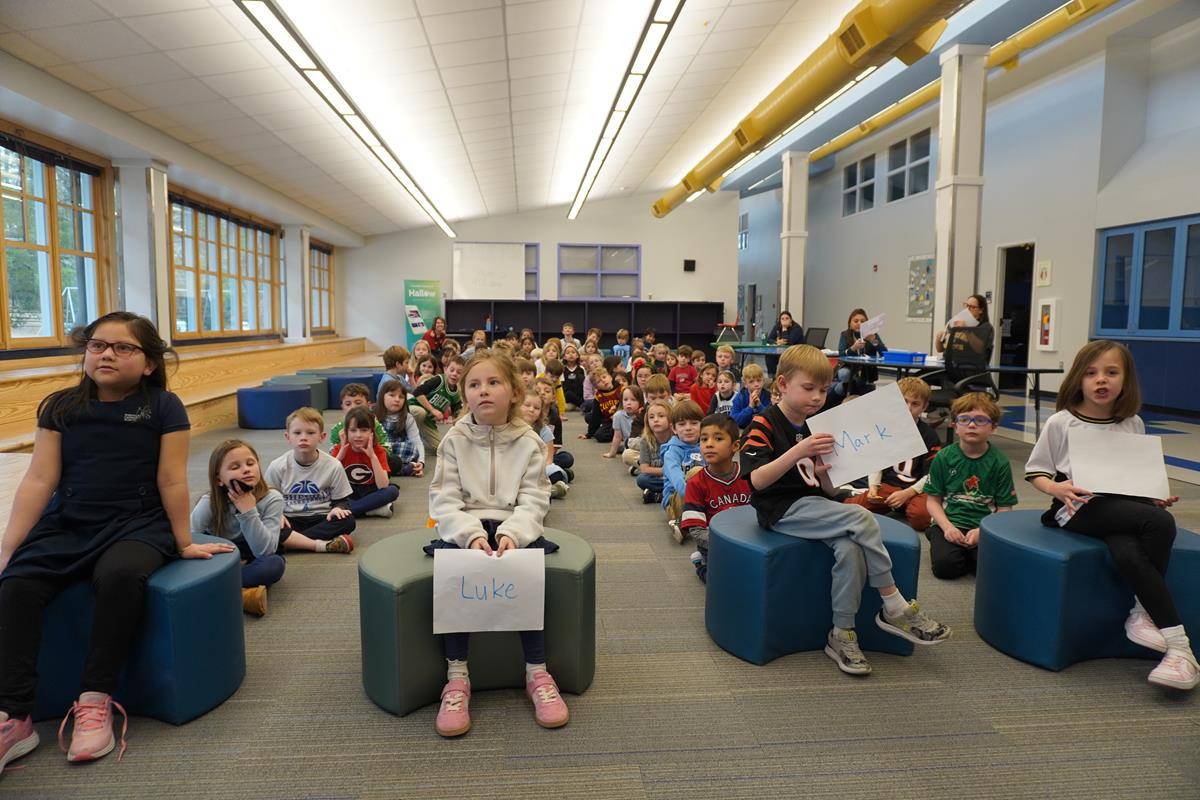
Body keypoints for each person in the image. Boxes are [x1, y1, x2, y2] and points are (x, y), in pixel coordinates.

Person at [0, 312, 235, 768]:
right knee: (17, 584)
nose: (106, 353)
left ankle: (95, 699)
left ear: (148, 363)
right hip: (70, 520)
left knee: (121, 576)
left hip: (137, 521)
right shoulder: (60, 406)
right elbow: (39, 479)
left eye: (123, 347)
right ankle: (14, 716)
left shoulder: (163, 406)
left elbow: (171, 479)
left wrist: (183, 541)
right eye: (96, 345)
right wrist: (10, 547)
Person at [740, 345, 951, 676]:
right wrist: (798, 451)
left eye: (823, 390)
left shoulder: (813, 427)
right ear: (782, 384)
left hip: (813, 505)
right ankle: (894, 604)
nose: (817, 397)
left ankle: (841, 633)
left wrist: (824, 472)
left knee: (850, 549)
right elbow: (757, 480)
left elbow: (821, 488)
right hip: (781, 508)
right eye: (808, 388)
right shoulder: (763, 423)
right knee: (863, 516)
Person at [1025, 340, 1196, 689]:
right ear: (1078, 379)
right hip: (1077, 508)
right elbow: (1036, 471)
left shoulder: (1131, 423)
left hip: (1120, 508)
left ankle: (1173, 648)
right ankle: (1171, 637)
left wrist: (1152, 497)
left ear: (1125, 379)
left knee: (1130, 549)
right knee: (1160, 524)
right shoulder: (1062, 422)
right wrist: (1056, 488)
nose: (1101, 380)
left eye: (1111, 372)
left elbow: (1132, 478)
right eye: (1091, 373)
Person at [428, 350, 567, 737]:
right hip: (465, 528)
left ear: (515, 392)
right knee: (455, 571)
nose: (483, 391)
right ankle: (457, 676)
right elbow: (443, 499)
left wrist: (513, 533)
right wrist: (470, 533)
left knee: (526, 570)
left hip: (512, 526)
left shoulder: (528, 440)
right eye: (474, 385)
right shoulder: (453, 440)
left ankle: (537, 672)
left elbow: (536, 498)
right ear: (463, 394)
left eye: (493, 383)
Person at [924, 393, 1017, 578]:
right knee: (945, 568)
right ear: (955, 426)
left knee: (990, 570)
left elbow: (1005, 508)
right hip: (949, 522)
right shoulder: (943, 457)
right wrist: (948, 528)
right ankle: (937, 536)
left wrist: (982, 532)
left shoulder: (1000, 462)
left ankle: (962, 550)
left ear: (994, 428)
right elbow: (932, 501)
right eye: (964, 419)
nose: (972, 425)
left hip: (983, 526)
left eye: (980, 420)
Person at [191, 439, 286, 617]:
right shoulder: (209, 502)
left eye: (251, 463)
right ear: (219, 479)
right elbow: (189, 540)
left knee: (274, 564)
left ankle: (210, 590)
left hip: (253, 555)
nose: (246, 469)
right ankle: (240, 594)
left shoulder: (272, 498)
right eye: (235, 467)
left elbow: (265, 551)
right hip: (220, 555)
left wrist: (248, 511)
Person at [844, 377, 939, 531]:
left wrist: (908, 493)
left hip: (915, 489)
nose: (908, 408)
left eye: (915, 404)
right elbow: (877, 462)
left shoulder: (929, 435)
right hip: (888, 487)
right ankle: (895, 504)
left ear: (924, 407)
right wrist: (873, 488)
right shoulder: (886, 428)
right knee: (849, 508)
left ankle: (903, 505)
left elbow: (932, 475)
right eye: (904, 401)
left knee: (921, 518)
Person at [265, 408, 356, 554]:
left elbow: (342, 500)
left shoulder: (333, 465)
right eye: (297, 433)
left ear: (322, 436)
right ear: (288, 437)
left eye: (311, 433)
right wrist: (277, 516)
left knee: (348, 521)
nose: (303, 437)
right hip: (290, 519)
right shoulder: (277, 466)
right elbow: (266, 500)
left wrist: (337, 509)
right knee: (269, 523)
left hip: (321, 517)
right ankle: (320, 544)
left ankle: (289, 543)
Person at [680, 414, 751, 583]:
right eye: (704, 439)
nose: (709, 444)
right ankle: (701, 565)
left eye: (718, 438)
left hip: (749, 540)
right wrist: (729, 544)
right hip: (715, 545)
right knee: (724, 583)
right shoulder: (696, 483)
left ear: (735, 446)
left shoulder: (750, 476)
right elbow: (696, 531)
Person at [331, 407, 401, 519]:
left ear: (371, 433)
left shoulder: (378, 451)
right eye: (353, 430)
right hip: (347, 492)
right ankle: (369, 510)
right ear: (346, 432)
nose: (358, 435)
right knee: (328, 495)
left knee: (392, 491)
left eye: (364, 430)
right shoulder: (339, 449)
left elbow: (382, 485)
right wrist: (341, 453)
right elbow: (327, 478)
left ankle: (348, 511)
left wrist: (372, 456)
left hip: (369, 490)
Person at [661, 400, 705, 537]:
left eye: (694, 423)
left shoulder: (705, 447)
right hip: (677, 499)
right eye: (682, 424)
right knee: (697, 472)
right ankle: (683, 522)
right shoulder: (671, 453)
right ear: (673, 429)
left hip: (701, 499)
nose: (688, 428)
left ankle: (692, 523)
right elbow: (679, 483)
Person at [518, 392, 569, 499]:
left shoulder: (544, 430)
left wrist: (536, 473)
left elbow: (548, 459)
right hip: (517, 467)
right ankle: (551, 490)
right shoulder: (510, 426)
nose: (531, 410)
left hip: (539, 467)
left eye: (536, 408)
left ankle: (546, 488)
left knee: (557, 470)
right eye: (527, 405)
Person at [410, 355, 464, 453]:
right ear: (445, 369)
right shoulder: (438, 380)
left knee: (441, 449)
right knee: (421, 412)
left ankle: (422, 433)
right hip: (413, 408)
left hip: (428, 420)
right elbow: (417, 392)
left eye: (459, 372)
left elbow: (457, 415)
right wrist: (432, 409)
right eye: (452, 370)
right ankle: (406, 435)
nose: (454, 374)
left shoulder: (456, 393)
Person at [375, 381, 425, 477]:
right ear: (382, 397)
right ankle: (400, 470)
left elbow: (416, 441)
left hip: (398, 451)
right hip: (381, 450)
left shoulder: (407, 417)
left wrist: (421, 462)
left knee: (411, 449)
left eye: (401, 397)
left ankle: (393, 469)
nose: (397, 399)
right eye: (392, 395)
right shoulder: (373, 415)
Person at [834, 308, 887, 399]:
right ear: (850, 324)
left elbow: (884, 353)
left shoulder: (872, 335)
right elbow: (842, 353)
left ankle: (853, 390)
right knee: (844, 375)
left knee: (842, 388)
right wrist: (853, 348)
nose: (859, 323)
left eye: (862, 321)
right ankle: (856, 389)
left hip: (866, 370)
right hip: (849, 367)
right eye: (856, 321)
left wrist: (873, 340)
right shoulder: (845, 335)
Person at [934, 294, 994, 366]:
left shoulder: (985, 327)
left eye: (972, 307)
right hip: (948, 364)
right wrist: (938, 339)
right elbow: (940, 349)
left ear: (981, 310)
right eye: (966, 305)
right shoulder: (956, 322)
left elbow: (980, 349)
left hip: (969, 366)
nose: (967, 310)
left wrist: (966, 330)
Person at [637, 401, 674, 504]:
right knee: (641, 479)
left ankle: (658, 495)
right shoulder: (645, 440)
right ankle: (668, 494)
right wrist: (665, 471)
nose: (656, 420)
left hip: (674, 477)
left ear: (670, 419)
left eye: (661, 416)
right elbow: (644, 468)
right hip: (658, 477)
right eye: (651, 417)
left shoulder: (676, 438)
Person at [330, 383, 387, 447]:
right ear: (342, 407)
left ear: (368, 405)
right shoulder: (337, 429)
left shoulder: (376, 426)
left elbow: (386, 451)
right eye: (348, 404)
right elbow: (332, 455)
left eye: (358, 403)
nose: (353, 407)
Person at [581, 368, 621, 443]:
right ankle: (617, 434)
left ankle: (619, 434)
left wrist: (617, 408)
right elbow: (596, 416)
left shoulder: (621, 388)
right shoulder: (598, 396)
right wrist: (589, 434)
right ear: (596, 387)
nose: (603, 381)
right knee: (599, 435)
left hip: (623, 418)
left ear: (610, 377)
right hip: (609, 421)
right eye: (599, 381)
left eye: (604, 377)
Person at [606, 385, 644, 462]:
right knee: (625, 450)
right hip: (629, 444)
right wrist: (612, 453)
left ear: (640, 402)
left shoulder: (643, 415)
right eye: (625, 400)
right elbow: (617, 436)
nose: (629, 403)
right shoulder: (618, 415)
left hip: (642, 443)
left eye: (633, 400)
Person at [730, 363, 771, 428]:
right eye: (751, 382)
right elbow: (733, 421)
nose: (756, 384)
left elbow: (771, 420)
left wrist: (760, 406)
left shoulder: (768, 396)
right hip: (743, 430)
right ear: (745, 384)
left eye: (759, 380)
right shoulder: (740, 397)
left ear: (763, 381)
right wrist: (750, 407)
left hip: (763, 430)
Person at [765, 310, 805, 375]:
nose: (784, 320)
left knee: (784, 358)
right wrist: (776, 342)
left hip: (796, 352)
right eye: (782, 318)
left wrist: (784, 329)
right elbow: (769, 339)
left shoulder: (797, 328)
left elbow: (789, 342)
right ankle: (772, 377)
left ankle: (786, 377)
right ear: (780, 320)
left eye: (787, 318)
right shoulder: (777, 326)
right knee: (769, 356)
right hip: (783, 351)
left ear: (791, 320)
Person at [561, 345, 584, 410]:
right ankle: (582, 405)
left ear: (577, 356)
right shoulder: (562, 369)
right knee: (568, 393)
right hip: (567, 395)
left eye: (573, 352)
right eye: (568, 353)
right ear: (564, 357)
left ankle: (580, 405)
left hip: (578, 394)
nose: (571, 354)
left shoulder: (581, 369)